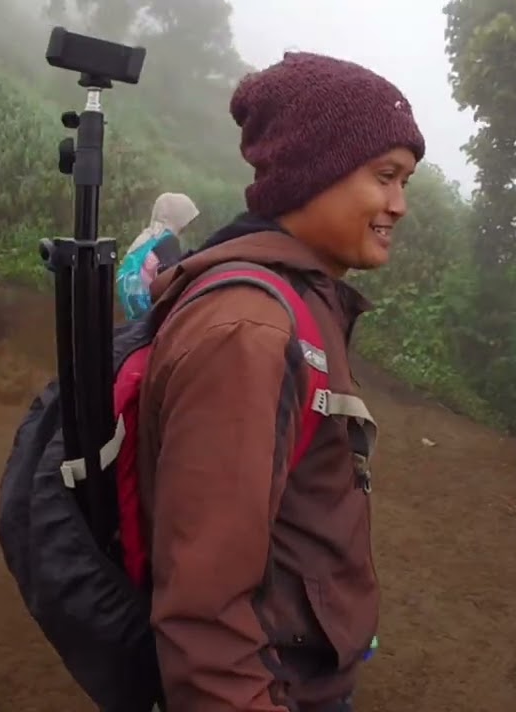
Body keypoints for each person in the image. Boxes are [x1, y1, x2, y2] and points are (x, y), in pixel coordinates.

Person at [134, 51, 424, 712]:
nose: (399, 205)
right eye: (385, 176)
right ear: (310, 173)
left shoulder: (304, 298)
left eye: (405, 181)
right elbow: (204, 616)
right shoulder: (250, 330)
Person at [115, 191, 198, 320]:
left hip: (133, 307)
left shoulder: (147, 236)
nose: (186, 226)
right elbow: (173, 278)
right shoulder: (168, 240)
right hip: (149, 308)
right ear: (178, 218)